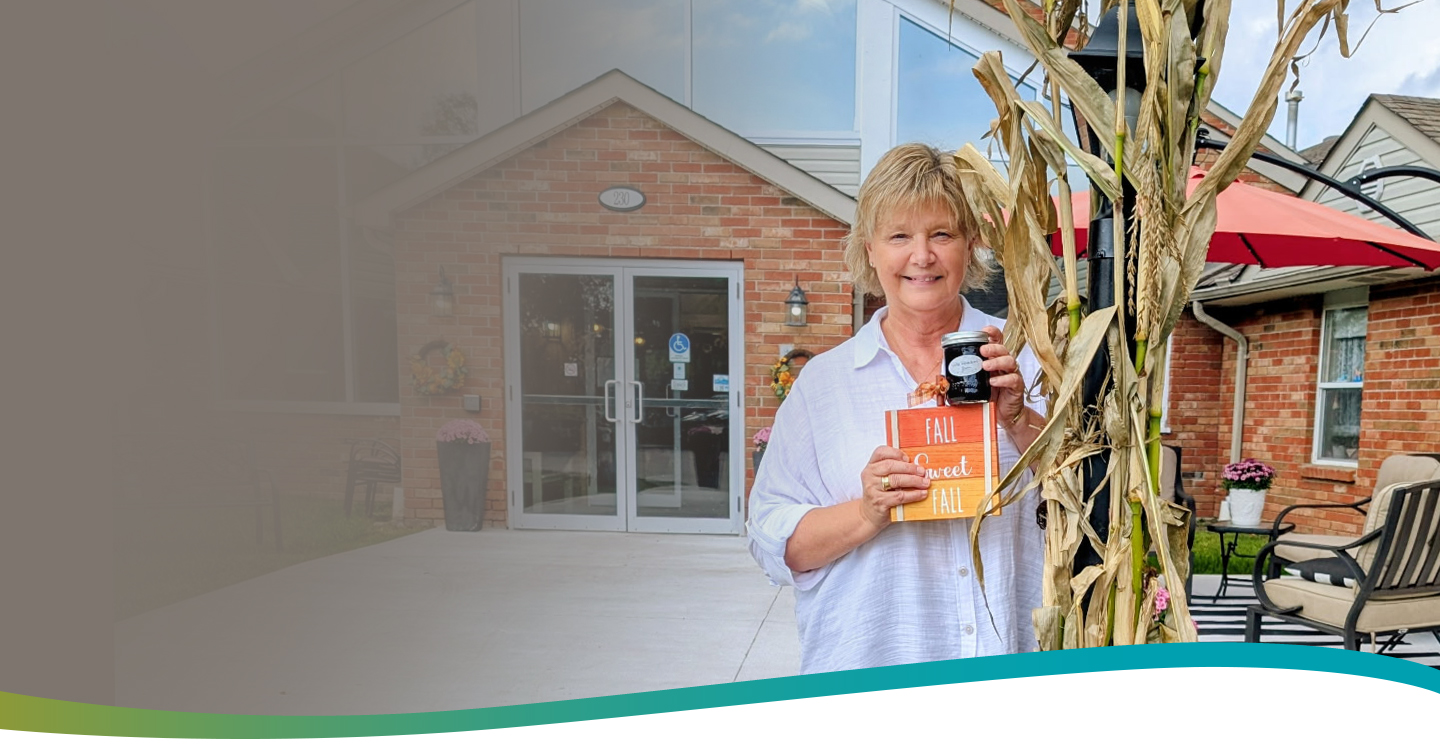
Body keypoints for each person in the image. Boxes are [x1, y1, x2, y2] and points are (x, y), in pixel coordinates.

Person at [746, 143, 1047, 674]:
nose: (922, 256)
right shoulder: (825, 385)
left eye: (941, 234)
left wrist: (1019, 422)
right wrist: (867, 513)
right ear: (869, 250)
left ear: (971, 245)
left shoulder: (1022, 358)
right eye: (900, 235)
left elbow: (1091, 500)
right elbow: (776, 541)